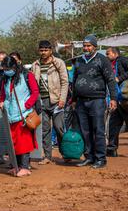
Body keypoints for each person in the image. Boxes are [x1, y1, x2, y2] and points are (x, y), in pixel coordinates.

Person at [73, 35, 117, 169]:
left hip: (97, 101)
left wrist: (114, 98)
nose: (86, 48)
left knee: (98, 130)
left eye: (89, 46)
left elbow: (110, 79)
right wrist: (74, 99)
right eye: (84, 46)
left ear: (94, 46)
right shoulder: (79, 61)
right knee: (85, 131)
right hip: (81, 102)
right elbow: (75, 80)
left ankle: (100, 159)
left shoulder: (102, 60)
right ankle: (89, 157)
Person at [0, 54, 39, 177]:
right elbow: (2, 94)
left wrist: (27, 105)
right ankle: (16, 166)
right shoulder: (6, 78)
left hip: (23, 114)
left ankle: (25, 166)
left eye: (8, 69)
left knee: (24, 141)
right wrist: (1, 102)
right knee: (13, 142)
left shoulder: (27, 75)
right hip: (10, 115)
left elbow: (35, 92)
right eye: (4, 69)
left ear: (14, 67)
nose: (6, 71)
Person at [31, 40, 68, 164]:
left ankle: (65, 153)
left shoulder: (59, 63)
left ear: (51, 50)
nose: (43, 52)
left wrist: (62, 99)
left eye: (46, 50)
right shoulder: (35, 65)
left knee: (59, 128)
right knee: (45, 129)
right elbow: (32, 84)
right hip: (41, 102)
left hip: (57, 101)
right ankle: (47, 156)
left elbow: (65, 82)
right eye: (41, 50)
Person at [106, 47, 128, 157]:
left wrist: (119, 78)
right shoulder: (109, 65)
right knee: (113, 124)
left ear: (115, 54)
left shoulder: (123, 60)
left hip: (125, 99)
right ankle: (111, 149)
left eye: (108, 53)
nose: (106, 55)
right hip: (116, 99)